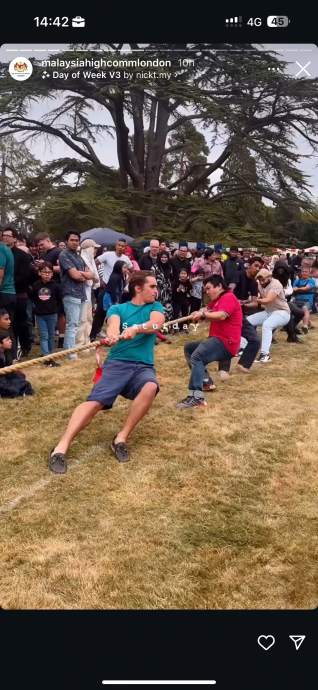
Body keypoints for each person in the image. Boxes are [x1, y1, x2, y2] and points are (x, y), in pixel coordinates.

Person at [48, 271, 165, 473]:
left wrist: (137, 328)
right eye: (152, 286)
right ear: (138, 288)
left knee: (151, 386)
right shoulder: (118, 308)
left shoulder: (155, 307)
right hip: (117, 364)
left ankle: (120, 438)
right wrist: (112, 336)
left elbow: (157, 323)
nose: (156, 290)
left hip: (143, 366)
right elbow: (113, 326)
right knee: (94, 402)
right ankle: (60, 448)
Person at [176, 275, 242, 408]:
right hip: (217, 339)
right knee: (190, 348)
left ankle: (196, 398)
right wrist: (200, 312)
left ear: (219, 286)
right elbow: (206, 311)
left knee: (197, 356)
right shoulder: (216, 300)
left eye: (209, 288)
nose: (207, 292)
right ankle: (205, 381)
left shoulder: (228, 297)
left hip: (226, 342)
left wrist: (204, 314)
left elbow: (222, 315)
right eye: (205, 289)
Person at [212, 256, 264, 382]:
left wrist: (244, 304)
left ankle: (244, 364)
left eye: (260, 267)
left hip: (240, 315)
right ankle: (223, 370)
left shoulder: (253, 283)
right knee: (228, 340)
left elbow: (254, 303)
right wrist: (234, 300)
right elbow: (230, 290)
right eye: (256, 266)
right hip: (227, 313)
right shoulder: (238, 275)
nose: (257, 269)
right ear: (249, 265)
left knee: (255, 340)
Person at [58, 231, 97, 359]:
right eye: (72, 240)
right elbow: (75, 276)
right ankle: (71, 354)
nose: (74, 242)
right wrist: (83, 275)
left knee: (78, 323)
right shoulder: (64, 255)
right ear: (67, 241)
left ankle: (69, 350)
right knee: (72, 324)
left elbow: (92, 275)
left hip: (81, 295)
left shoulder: (78, 256)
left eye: (76, 240)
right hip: (70, 293)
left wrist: (82, 275)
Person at [91, 239, 133, 339]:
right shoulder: (108, 255)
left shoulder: (125, 259)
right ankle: (94, 334)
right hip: (106, 288)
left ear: (125, 247)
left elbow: (132, 271)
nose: (120, 247)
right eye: (119, 245)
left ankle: (115, 333)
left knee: (116, 312)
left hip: (118, 290)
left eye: (123, 246)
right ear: (116, 246)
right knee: (100, 312)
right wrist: (99, 279)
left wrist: (125, 283)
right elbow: (93, 264)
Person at [246, 268, 291, 363]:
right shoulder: (259, 283)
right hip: (268, 312)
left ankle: (265, 355)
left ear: (269, 277)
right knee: (246, 322)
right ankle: (243, 348)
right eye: (259, 280)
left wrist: (253, 300)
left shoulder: (276, 284)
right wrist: (248, 299)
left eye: (263, 280)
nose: (261, 282)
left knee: (267, 325)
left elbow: (268, 300)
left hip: (282, 312)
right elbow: (257, 295)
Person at [2, 227, 31, 358]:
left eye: (9, 235)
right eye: (4, 235)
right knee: (8, 324)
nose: (5, 237)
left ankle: (24, 348)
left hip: (17, 293)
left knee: (20, 322)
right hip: (8, 292)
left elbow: (26, 276)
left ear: (15, 239)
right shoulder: (4, 251)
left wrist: (10, 283)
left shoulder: (22, 255)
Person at [35, 232, 66, 348]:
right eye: (39, 245)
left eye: (42, 244)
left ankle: (62, 337)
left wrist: (48, 267)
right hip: (45, 287)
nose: (40, 247)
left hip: (57, 285)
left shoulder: (58, 252)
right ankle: (47, 337)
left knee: (60, 312)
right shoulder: (44, 254)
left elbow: (64, 268)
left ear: (48, 240)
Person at [32, 262, 63, 367]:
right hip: (40, 315)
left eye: (49, 272)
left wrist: (55, 309)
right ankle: (46, 356)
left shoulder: (56, 286)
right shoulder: (36, 285)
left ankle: (50, 354)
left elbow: (59, 300)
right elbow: (33, 298)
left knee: (51, 336)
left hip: (52, 314)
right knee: (43, 336)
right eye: (44, 272)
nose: (47, 274)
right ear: (39, 273)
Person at [75, 239, 100, 350]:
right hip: (81, 294)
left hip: (89, 293)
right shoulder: (82, 260)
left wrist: (93, 278)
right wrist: (92, 278)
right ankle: (79, 344)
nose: (96, 250)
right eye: (94, 248)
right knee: (82, 320)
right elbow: (84, 276)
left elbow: (93, 278)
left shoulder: (91, 261)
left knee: (89, 318)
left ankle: (87, 341)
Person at [0, 330, 34, 399]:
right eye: (7, 340)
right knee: (12, 389)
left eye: (10, 339)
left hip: (6, 376)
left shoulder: (7, 353)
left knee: (21, 379)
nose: (10, 341)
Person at [0, 239, 16, 362]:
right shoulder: (6, 249)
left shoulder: (0, 249)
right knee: (7, 328)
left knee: (4, 328)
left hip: (3, 293)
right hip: (9, 292)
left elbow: (0, 274)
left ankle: (9, 361)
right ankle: (11, 360)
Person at [292, 266, 316, 335]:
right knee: (292, 310)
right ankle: (290, 325)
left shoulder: (311, 281)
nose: (304, 273)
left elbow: (307, 288)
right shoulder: (297, 281)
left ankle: (305, 326)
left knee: (305, 309)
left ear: (309, 273)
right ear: (301, 273)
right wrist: (297, 289)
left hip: (307, 300)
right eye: (303, 272)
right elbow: (293, 289)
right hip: (297, 299)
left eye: (306, 272)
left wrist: (298, 289)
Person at [151, 250, 174, 324]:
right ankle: (158, 324)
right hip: (158, 291)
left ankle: (167, 325)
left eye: (166, 257)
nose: (164, 259)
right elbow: (151, 278)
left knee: (168, 307)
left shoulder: (170, 267)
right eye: (162, 257)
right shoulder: (155, 267)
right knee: (158, 307)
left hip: (167, 291)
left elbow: (171, 279)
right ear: (159, 257)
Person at [172, 268, 191, 334]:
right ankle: (174, 329)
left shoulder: (188, 282)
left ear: (187, 275)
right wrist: (177, 290)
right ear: (179, 274)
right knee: (176, 315)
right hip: (177, 301)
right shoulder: (176, 282)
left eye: (184, 274)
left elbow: (189, 289)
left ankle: (184, 328)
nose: (183, 275)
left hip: (185, 301)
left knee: (185, 315)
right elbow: (173, 291)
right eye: (182, 273)